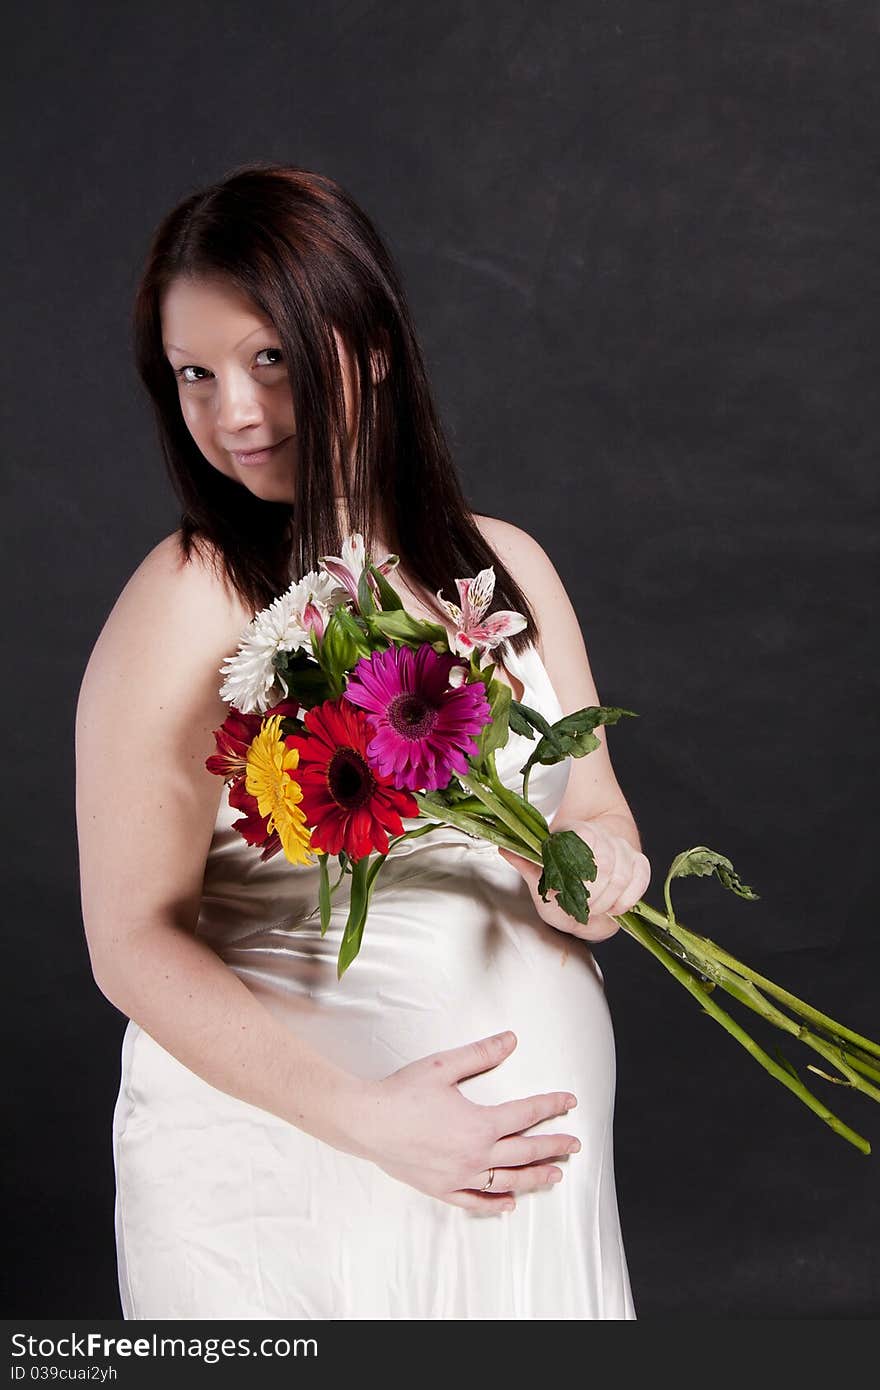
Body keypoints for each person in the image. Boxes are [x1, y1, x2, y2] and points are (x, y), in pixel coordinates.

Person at [75, 162, 651, 1320]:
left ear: (371, 342)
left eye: (268, 358)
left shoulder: (506, 565)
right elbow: (131, 941)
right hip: (302, 1178)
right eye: (196, 373)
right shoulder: (193, 593)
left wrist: (600, 871)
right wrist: (368, 1117)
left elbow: (595, 802)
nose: (232, 411)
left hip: (529, 1196)